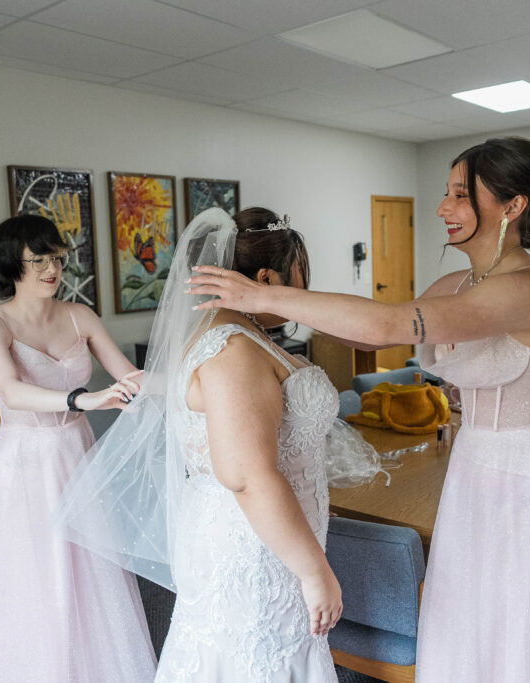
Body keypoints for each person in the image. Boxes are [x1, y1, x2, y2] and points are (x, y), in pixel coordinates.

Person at [186, 137, 530, 682]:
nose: (443, 209)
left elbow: (388, 327)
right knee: (476, 617)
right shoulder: (454, 284)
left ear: (513, 206)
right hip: (474, 467)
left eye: (461, 196)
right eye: (446, 194)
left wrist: (264, 297)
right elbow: (386, 316)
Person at [55, 207, 375, 682]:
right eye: (297, 280)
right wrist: (314, 573)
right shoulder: (235, 349)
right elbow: (247, 476)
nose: (301, 295)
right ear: (266, 277)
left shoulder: (231, 336)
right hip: (257, 541)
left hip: (257, 530)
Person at [0, 215, 156, 683]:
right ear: (10, 264)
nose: (51, 269)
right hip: (25, 459)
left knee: (90, 562)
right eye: (38, 260)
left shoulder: (79, 315)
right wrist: (84, 399)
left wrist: (187, 379)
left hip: (77, 450)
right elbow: (12, 392)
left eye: (56, 258)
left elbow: (128, 375)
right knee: (32, 567)